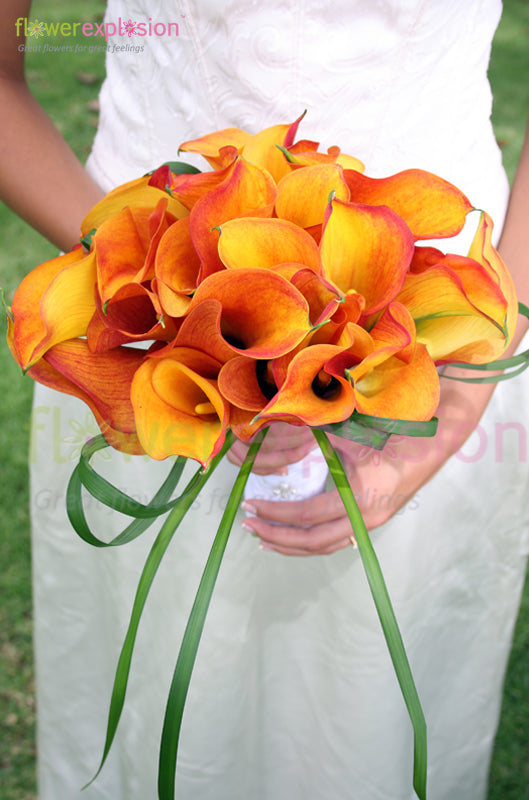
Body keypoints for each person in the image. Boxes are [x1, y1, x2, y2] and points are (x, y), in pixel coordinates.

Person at [2, 1, 529, 798]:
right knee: (165, 678)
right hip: (148, 318)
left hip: (434, 324)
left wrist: (454, 402)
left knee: (367, 699)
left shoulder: (447, 373)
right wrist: (149, 284)